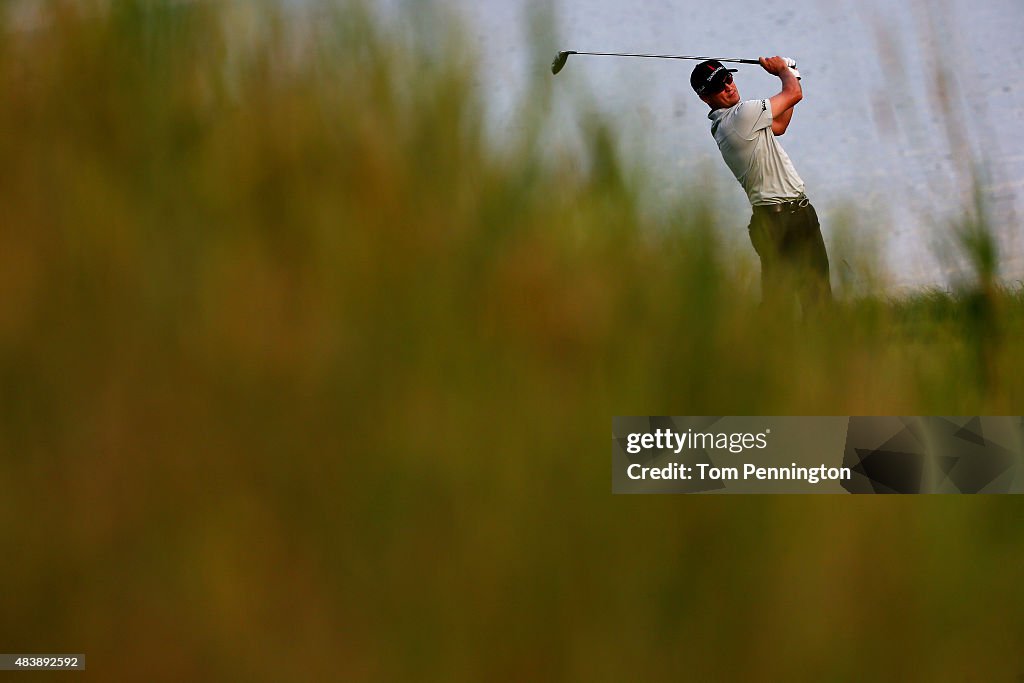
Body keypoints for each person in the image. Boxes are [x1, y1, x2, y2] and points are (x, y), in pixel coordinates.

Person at [691, 57, 832, 311]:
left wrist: (792, 72)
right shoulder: (740, 117)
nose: (728, 87)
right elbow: (793, 94)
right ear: (705, 98)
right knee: (785, 305)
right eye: (719, 86)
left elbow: (779, 126)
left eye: (728, 78)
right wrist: (782, 70)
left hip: (793, 214)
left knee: (811, 299)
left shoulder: (738, 120)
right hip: (779, 220)